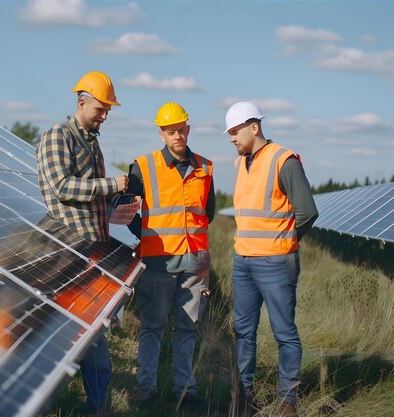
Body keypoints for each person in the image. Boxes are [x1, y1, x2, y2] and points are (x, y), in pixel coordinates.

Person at [35, 70, 128, 416]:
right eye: (101, 108)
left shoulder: (91, 141)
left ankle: (97, 406)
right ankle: (47, 403)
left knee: (93, 330)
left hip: (93, 250)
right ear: (81, 102)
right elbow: (62, 186)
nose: (105, 115)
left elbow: (90, 195)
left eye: (108, 110)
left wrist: (119, 206)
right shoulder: (58, 136)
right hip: (66, 251)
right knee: (65, 331)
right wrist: (112, 186)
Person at [224, 101, 319, 417]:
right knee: (243, 332)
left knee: (284, 333)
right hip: (244, 262)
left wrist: (285, 244)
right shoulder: (240, 163)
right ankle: (244, 398)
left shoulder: (284, 160)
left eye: (235, 131)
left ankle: (286, 403)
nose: (232, 138)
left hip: (277, 263)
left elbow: (307, 212)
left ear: (254, 127)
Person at [126, 102, 215, 411]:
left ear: (188, 129)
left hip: (195, 260)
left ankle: (185, 389)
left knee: (189, 327)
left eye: (182, 129)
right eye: (171, 131)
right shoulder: (143, 166)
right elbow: (126, 213)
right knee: (153, 325)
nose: (178, 135)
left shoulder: (205, 167)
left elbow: (209, 212)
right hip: (158, 260)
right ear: (161, 134)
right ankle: (145, 387)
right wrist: (148, 234)